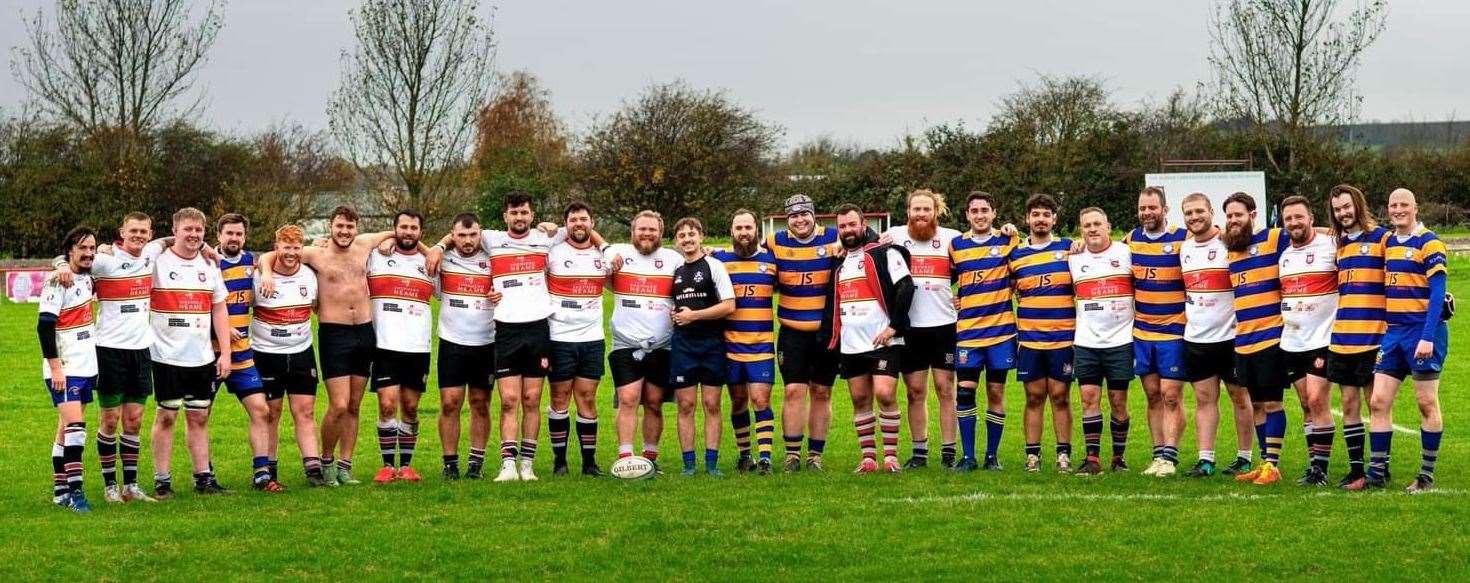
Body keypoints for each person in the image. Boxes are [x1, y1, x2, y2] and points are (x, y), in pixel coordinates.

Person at [257, 205, 399, 486]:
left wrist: (401, 243)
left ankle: (346, 465)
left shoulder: (364, 244)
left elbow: (399, 233)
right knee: (338, 404)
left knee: (355, 405)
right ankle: (326, 459)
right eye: (339, 226)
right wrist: (266, 273)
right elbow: (271, 254)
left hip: (364, 332)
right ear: (330, 227)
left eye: (349, 226)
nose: (344, 232)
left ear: (356, 227)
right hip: (334, 335)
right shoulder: (316, 253)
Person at [51, 212, 160, 502]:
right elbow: (73, 257)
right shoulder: (103, 259)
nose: (138, 235)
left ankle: (131, 486)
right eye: (133, 230)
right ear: (121, 232)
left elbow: (182, 239)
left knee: (134, 420)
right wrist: (61, 264)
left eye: (143, 231)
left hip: (141, 350)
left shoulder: (153, 252)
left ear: (151, 234)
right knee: (110, 420)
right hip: (108, 350)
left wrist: (207, 248)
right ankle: (110, 486)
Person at [1365, 188, 1450, 493]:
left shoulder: (1429, 242)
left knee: (1426, 402)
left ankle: (1426, 475)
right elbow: (1358, 231)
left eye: (1404, 205)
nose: (1398, 209)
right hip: (1394, 333)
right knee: (1378, 401)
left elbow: (1439, 292)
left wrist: (1427, 337)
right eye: (1393, 205)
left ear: (1415, 207)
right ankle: (1377, 473)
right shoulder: (1387, 241)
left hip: (1423, 333)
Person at [821, 204, 914, 473]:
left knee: (885, 394)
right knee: (860, 399)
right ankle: (869, 459)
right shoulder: (839, 263)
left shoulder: (884, 252)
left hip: (883, 340)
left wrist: (894, 327)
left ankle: (891, 457)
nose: (848, 231)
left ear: (863, 225)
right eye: (842, 227)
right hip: (851, 344)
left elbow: (906, 286)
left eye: (852, 224)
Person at [149, 207, 233, 497]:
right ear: (175, 231)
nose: (194, 235)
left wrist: (225, 353)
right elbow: (137, 250)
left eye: (199, 230)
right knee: (167, 416)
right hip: (165, 355)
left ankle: (204, 479)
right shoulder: (157, 261)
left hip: (201, 356)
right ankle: (162, 480)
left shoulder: (210, 265)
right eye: (188, 229)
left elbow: (220, 308)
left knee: (199, 417)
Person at [1177, 193, 1255, 477]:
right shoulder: (1183, 249)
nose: (1194, 217)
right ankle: (1206, 460)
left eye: (1199, 211)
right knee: (1204, 399)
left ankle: (1244, 457)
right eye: (1189, 213)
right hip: (1197, 338)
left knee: (1239, 397)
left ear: (1211, 211)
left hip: (1231, 337)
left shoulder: (1231, 244)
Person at [883, 190, 961, 469]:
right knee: (915, 391)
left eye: (926, 209)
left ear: (935, 212)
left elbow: (977, 259)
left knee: (945, 389)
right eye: (916, 209)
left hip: (944, 326)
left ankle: (949, 452)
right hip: (910, 327)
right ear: (907, 211)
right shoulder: (893, 235)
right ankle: (919, 452)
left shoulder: (952, 238)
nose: (920, 214)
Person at [766, 194, 841, 471]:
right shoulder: (775, 242)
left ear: (814, 215)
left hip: (826, 333)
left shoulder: (834, 239)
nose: (800, 220)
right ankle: (792, 455)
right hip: (792, 332)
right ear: (787, 220)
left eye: (804, 214)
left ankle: (815, 456)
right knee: (793, 391)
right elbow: (747, 255)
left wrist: (885, 240)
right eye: (794, 216)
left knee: (821, 391)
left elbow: (863, 240)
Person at [250, 225, 327, 487]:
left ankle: (313, 470)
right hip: (266, 353)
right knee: (272, 412)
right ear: (276, 248)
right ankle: (268, 469)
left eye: (296, 248)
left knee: (305, 411)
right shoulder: (260, 277)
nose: (291, 253)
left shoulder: (309, 275)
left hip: (301, 352)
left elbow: (316, 307)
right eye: (286, 247)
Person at [1222, 193, 1290, 486]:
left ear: (1253, 214)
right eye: (1229, 216)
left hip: (1271, 337)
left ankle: (1272, 466)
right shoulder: (1230, 249)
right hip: (1243, 340)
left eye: (1238, 214)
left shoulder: (1274, 238)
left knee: (1273, 403)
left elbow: (1312, 233)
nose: (1233, 220)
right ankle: (1265, 463)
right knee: (1257, 404)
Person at [1325, 184, 1391, 489]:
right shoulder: (1336, 244)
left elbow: (1404, 269)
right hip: (1342, 338)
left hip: (1374, 337)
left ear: (1358, 205)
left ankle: (1379, 469)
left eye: (1347, 207)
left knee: (1376, 404)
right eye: (1337, 209)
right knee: (1349, 404)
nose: (1343, 213)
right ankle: (1356, 470)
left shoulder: (1381, 239)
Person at [606, 211, 683, 470]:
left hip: (662, 345)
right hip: (625, 343)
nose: (647, 234)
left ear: (661, 233)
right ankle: (626, 460)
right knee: (628, 399)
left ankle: (650, 460)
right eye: (642, 229)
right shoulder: (618, 254)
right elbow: (593, 257)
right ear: (632, 231)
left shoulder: (673, 259)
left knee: (653, 401)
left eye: (652, 230)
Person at [949, 192, 1019, 471]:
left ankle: (992, 456)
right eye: (974, 211)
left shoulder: (1008, 241)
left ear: (993, 213)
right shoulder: (955, 246)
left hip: (1001, 334)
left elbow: (1020, 273)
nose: (980, 215)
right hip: (967, 333)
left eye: (985, 210)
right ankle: (968, 457)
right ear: (967, 215)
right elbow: (945, 280)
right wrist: (955, 298)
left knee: (995, 392)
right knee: (965, 393)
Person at [1066, 208, 1137, 477]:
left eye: (1097, 224)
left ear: (1108, 226)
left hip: (1121, 340)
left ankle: (1119, 458)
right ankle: (1092, 458)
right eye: (1087, 225)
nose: (1092, 229)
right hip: (1086, 341)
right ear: (1081, 229)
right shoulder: (1073, 258)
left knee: (1118, 401)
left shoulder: (1126, 252)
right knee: (1088, 398)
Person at [1123, 187, 1189, 475]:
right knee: (1152, 395)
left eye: (1152, 208)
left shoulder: (1182, 238)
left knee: (1171, 394)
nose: (1147, 213)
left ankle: (1170, 458)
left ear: (1165, 209)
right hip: (1142, 332)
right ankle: (1158, 454)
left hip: (1175, 331)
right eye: (1142, 208)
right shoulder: (1131, 241)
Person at [365, 210, 434, 483]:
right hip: (384, 345)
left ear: (420, 232)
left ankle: (406, 466)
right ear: (394, 230)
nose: (408, 232)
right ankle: (386, 465)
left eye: (413, 228)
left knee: (411, 407)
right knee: (386, 405)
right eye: (403, 227)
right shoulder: (376, 257)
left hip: (418, 346)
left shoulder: (430, 263)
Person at [214, 213, 281, 491]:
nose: (234, 238)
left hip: (242, 352)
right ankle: (203, 476)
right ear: (218, 235)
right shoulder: (208, 261)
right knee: (199, 414)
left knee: (260, 409)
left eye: (239, 234)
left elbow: (290, 252)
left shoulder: (251, 261)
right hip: (211, 352)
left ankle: (262, 473)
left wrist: (264, 270)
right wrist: (218, 329)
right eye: (229, 233)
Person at [1010, 194, 1076, 473]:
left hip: (1063, 338)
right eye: (1035, 214)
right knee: (1034, 396)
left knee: (1060, 395)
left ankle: (1064, 454)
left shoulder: (1071, 249)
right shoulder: (1015, 254)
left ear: (1054, 219)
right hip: (1030, 339)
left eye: (1046, 215)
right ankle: (1032, 455)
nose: (1040, 219)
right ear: (1027, 219)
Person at [1276, 196, 1339, 486]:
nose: (1293, 223)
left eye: (1299, 217)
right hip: (1292, 341)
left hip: (1323, 339)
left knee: (1317, 399)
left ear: (1311, 218)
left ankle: (1321, 470)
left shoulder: (1331, 244)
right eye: (1288, 218)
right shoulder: (1284, 255)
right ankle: (1315, 465)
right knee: (1305, 404)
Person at [668, 217, 737, 475]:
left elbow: (729, 305)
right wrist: (674, 316)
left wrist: (693, 316)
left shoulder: (714, 265)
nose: (687, 239)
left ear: (701, 236)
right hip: (683, 345)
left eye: (691, 234)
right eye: (682, 235)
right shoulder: (675, 269)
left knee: (711, 404)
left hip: (711, 344)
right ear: (676, 241)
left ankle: (711, 464)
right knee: (685, 405)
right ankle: (688, 465)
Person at [712, 210, 780, 474]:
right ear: (731, 231)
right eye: (738, 227)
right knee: (738, 401)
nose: (743, 232)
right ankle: (744, 455)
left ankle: (765, 458)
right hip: (729, 345)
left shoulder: (771, 261)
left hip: (761, 344)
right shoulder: (719, 260)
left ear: (757, 230)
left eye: (748, 227)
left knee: (761, 400)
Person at [546, 201, 610, 476]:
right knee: (559, 397)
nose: (578, 224)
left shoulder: (604, 255)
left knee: (587, 397)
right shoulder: (553, 252)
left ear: (592, 223)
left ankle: (589, 463)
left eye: (583, 219)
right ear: (566, 225)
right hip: (559, 337)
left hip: (592, 338)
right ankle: (560, 462)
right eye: (573, 220)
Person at [39, 227, 99, 512]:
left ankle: (60, 490)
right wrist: (56, 369)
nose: (88, 253)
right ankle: (77, 494)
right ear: (70, 251)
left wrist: (61, 262)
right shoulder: (56, 283)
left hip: (86, 365)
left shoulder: (88, 278)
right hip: (65, 367)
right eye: (82, 248)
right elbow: (44, 326)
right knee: (76, 427)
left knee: (65, 429)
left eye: (92, 248)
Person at [433, 213, 496, 480]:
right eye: (461, 235)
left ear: (480, 234)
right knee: (450, 403)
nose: (468, 241)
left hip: (487, 342)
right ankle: (450, 463)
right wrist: (438, 245)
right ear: (453, 235)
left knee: (480, 403)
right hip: (452, 342)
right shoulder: (441, 259)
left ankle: (475, 463)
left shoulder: (494, 258)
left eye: (473, 235)